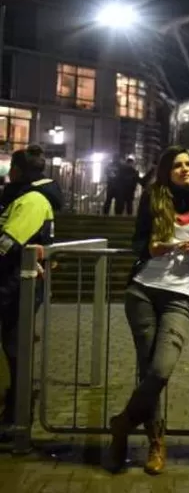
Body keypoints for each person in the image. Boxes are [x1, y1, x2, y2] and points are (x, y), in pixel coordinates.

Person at [106, 146, 189, 474]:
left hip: (180, 294)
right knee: (147, 369)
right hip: (143, 291)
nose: (185, 169)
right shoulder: (153, 197)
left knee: (161, 369)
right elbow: (138, 241)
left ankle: (121, 425)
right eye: (177, 165)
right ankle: (155, 443)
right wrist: (150, 247)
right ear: (166, 171)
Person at [0, 146, 62, 439]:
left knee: (15, 346)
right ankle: (16, 404)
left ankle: (17, 408)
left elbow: (8, 242)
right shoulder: (26, 197)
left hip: (17, 283)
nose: (8, 175)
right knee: (13, 344)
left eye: (12, 169)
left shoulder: (33, 200)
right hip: (14, 282)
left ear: (21, 172)